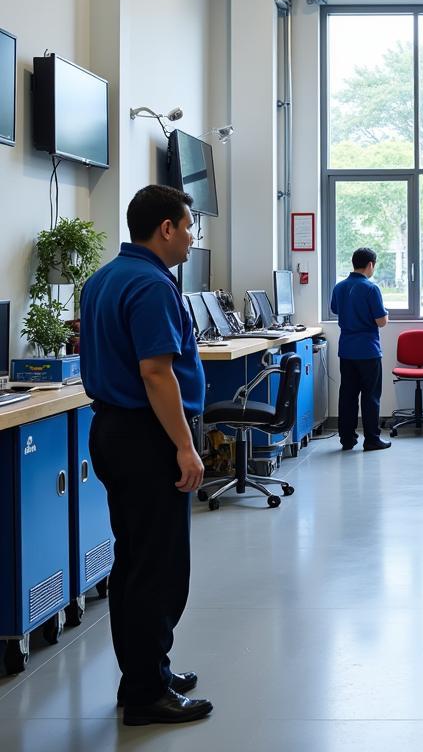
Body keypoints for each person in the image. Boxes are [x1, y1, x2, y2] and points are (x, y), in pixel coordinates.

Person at [79, 185, 213, 725]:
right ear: (166, 228)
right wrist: (185, 446)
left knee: (135, 562)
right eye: (188, 227)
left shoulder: (105, 277)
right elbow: (156, 373)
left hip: (114, 432)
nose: (190, 238)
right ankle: (145, 693)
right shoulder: (153, 285)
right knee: (157, 569)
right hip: (147, 438)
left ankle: (146, 671)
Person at [330, 247, 390, 452]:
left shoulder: (339, 287)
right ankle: (372, 439)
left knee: (347, 395)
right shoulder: (371, 289)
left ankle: (347, 439)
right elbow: (381, 321)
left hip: (346, 350)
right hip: (368, 350)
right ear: (370, 265)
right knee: (370, 396)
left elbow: (336, 310)